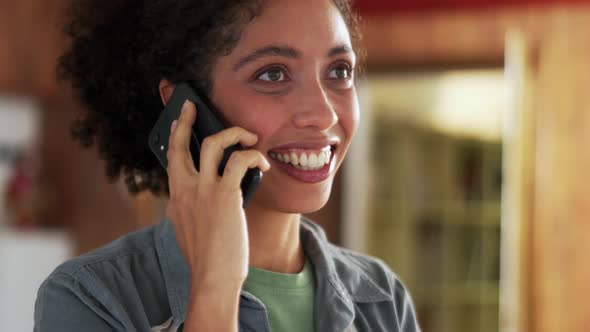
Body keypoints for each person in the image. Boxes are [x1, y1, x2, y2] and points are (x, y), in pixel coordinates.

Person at [34, 0, 420, 331]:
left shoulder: (382, 301)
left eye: (339, 71)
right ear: (183, 108)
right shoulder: (91, 298)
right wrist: (215, 287)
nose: (322, 114)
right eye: (273, 74)